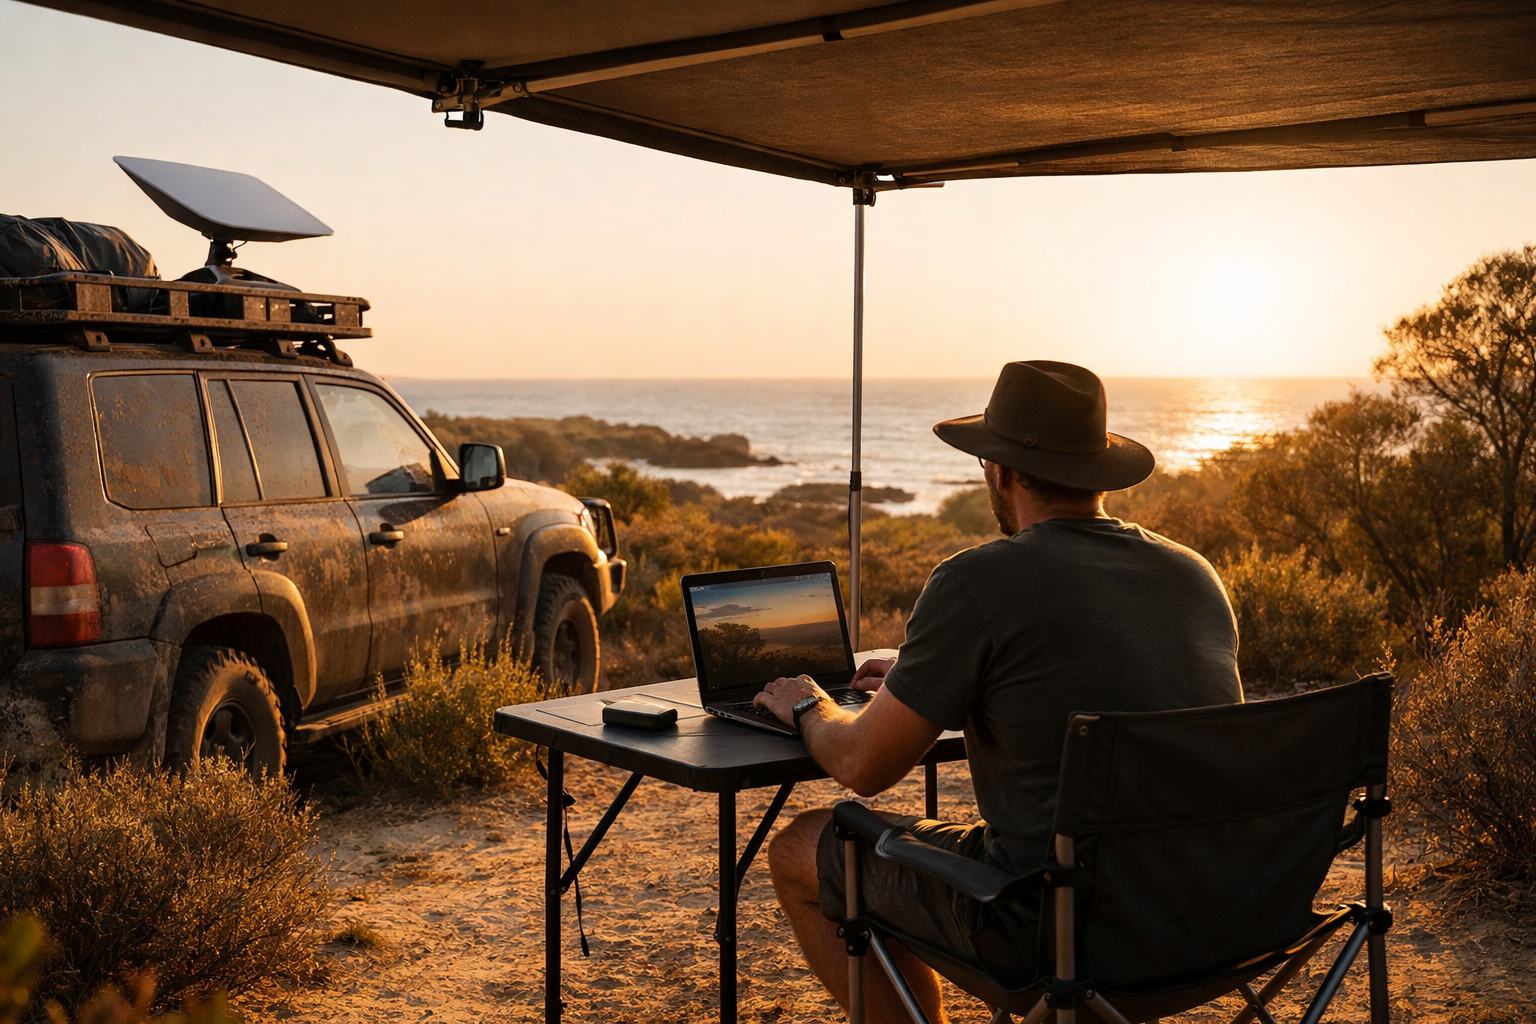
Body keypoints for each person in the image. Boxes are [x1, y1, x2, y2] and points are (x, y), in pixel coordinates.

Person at [754, 360, 1242, 1024]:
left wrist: (810, 702)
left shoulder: (976, 580)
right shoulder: (1195, 576)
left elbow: (861, 766)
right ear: (1095, 470)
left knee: (803, 849)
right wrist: (928, 672)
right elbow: (1087, 664)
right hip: (1205, 915)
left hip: (1044, 923)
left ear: (1000, 471)